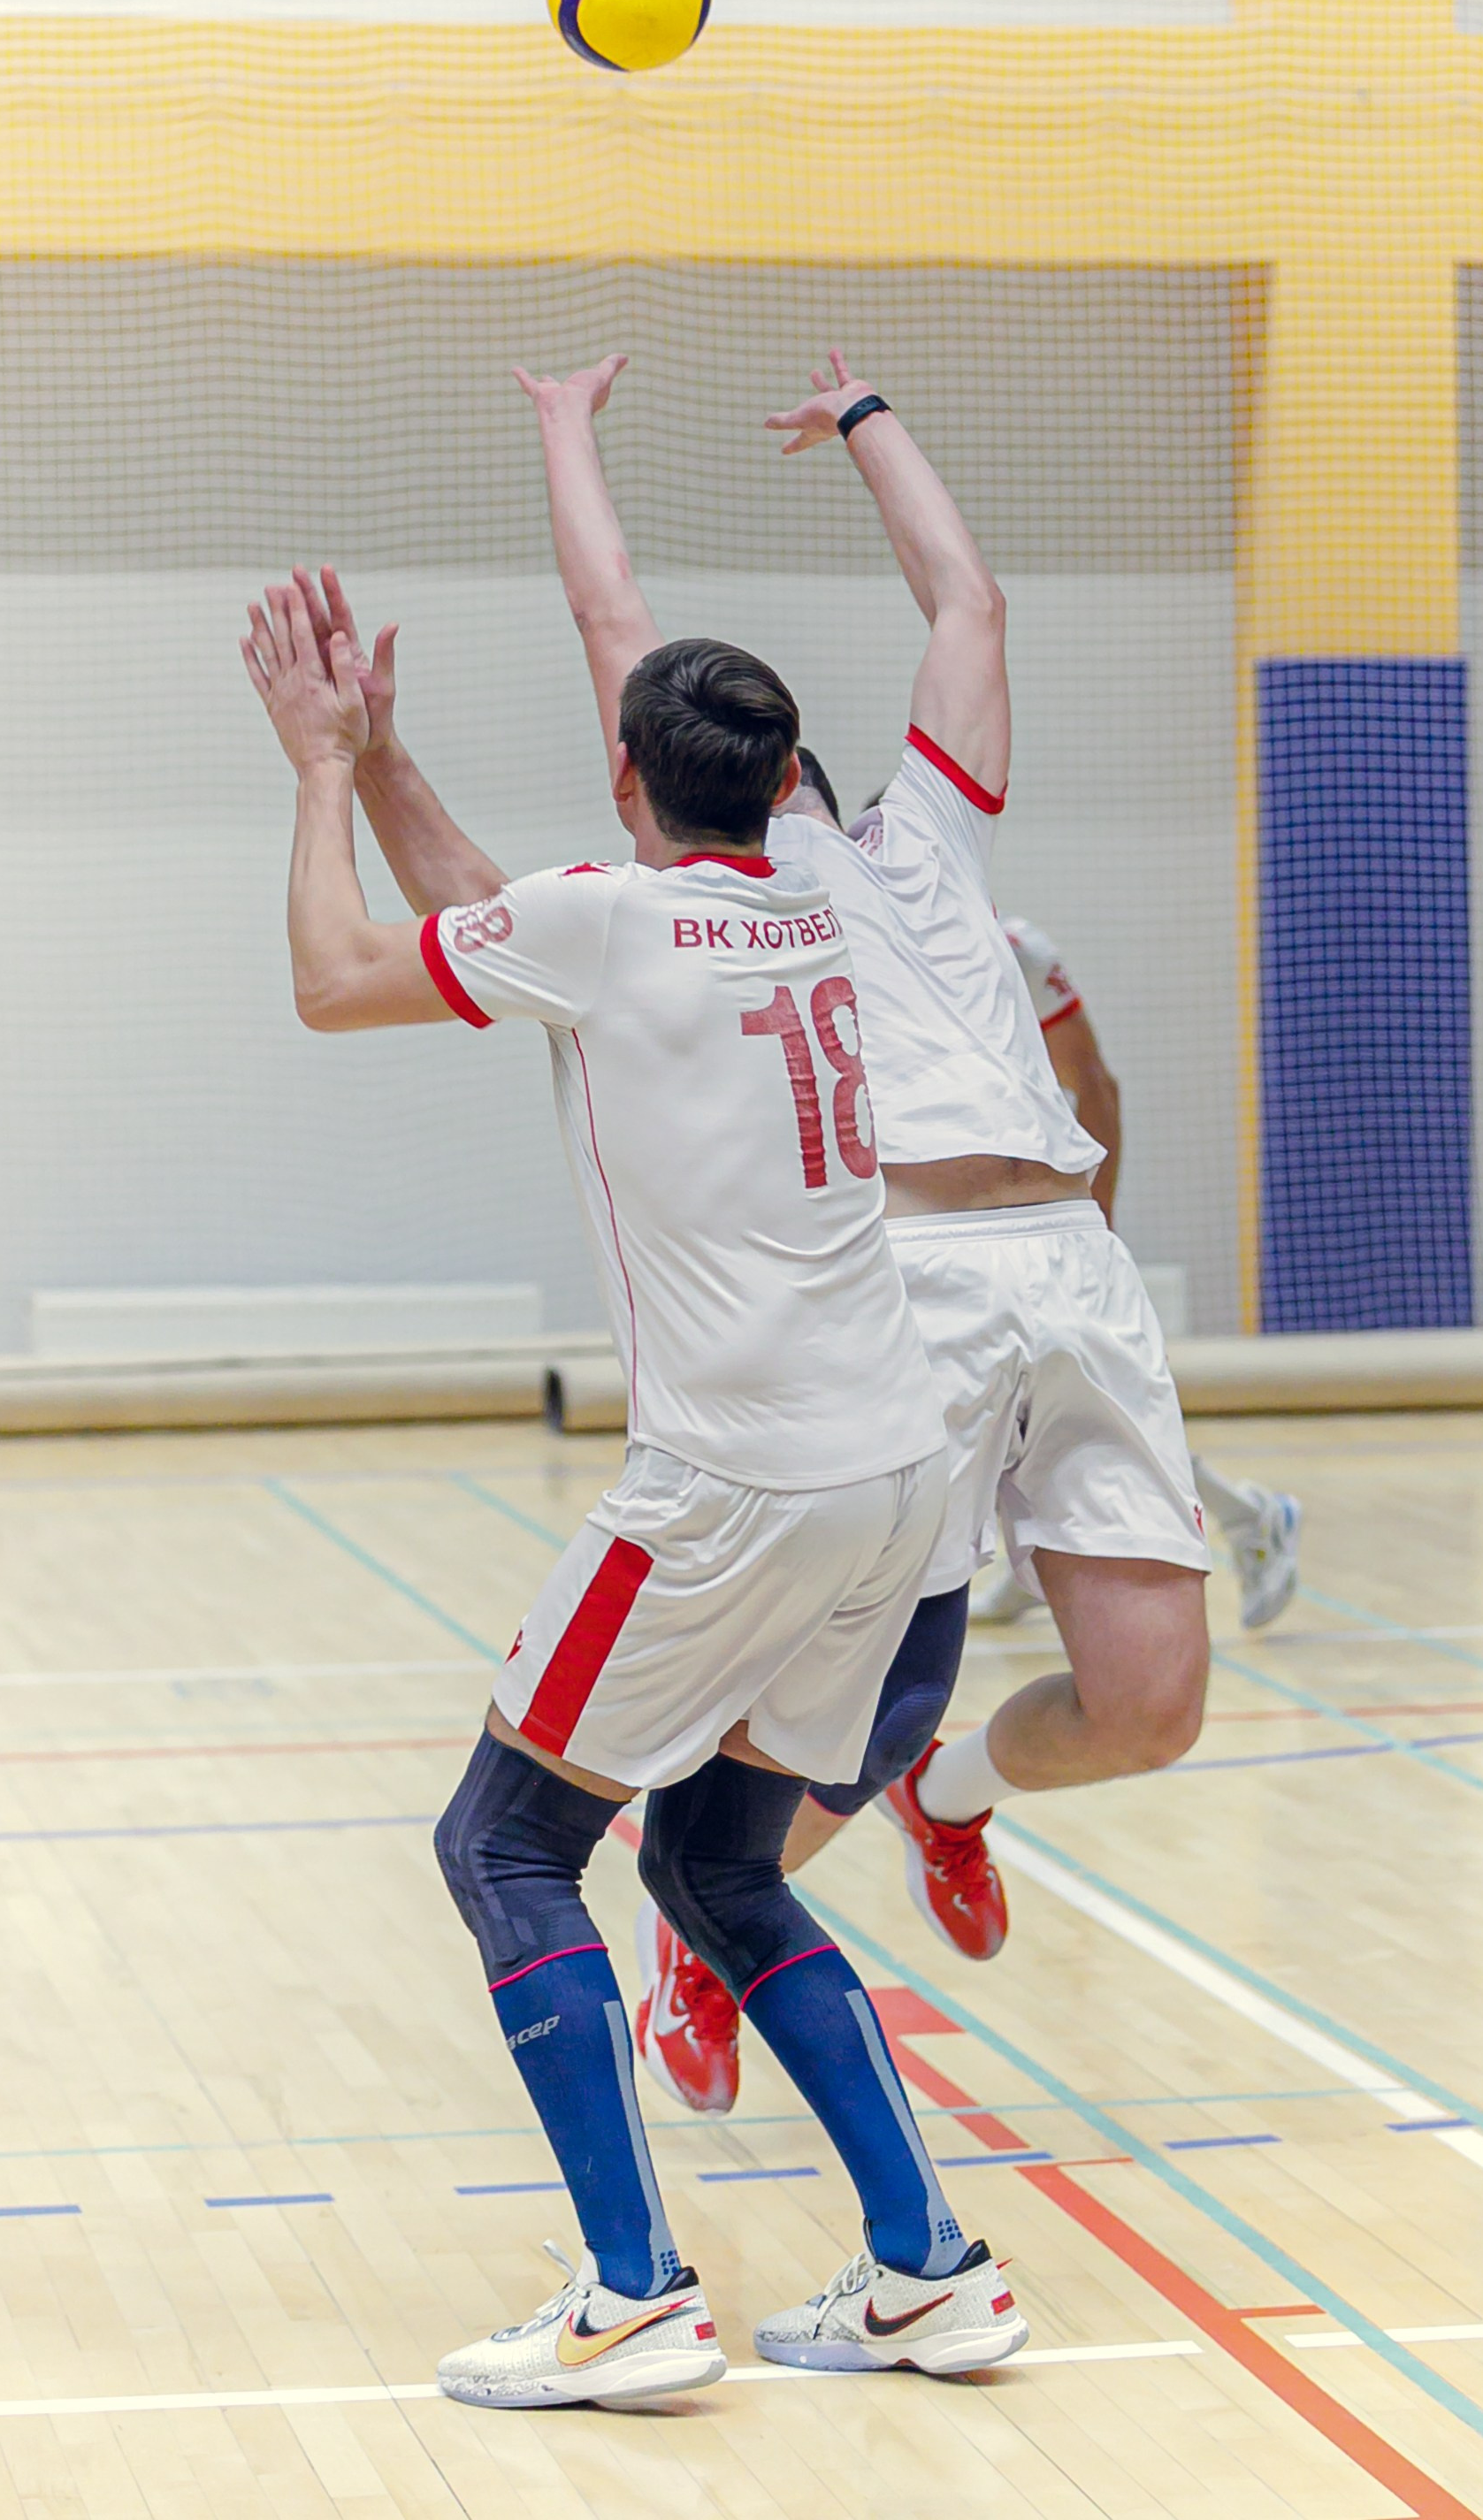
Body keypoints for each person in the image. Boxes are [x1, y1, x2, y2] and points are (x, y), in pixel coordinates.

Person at [239, 512, 1026, 2405]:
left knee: (506, 1847)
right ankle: (929, 2270)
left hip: (733, 1486)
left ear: (623, 775)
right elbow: (525, 934)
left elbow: (339, 973)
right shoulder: (795, 907)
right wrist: (400, 764)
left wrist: (324, 772)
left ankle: (631, 2291)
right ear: (780, 777)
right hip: (900, 1484)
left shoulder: (613, 922)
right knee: (721, 1870)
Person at [521, 348, 1211, 2122]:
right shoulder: (713, 902)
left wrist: (869, 422)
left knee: (1148, 1707)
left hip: (1072, 1273)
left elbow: (966, 598)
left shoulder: (938, 848)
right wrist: (563, 426)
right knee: (879, 1692)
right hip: (904, 1290)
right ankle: (708, 1922)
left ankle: (960, 1799)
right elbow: (618, 629)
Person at [973, 914, 1303, 1634]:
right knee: (1021, 1406)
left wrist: (1101, 1221)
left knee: (1096, 1408)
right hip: (957, 1227)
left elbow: (1097, 1084)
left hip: (1035, 1225)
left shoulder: (1016, 946)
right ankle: (1040, 1557)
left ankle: (1249, 1515)